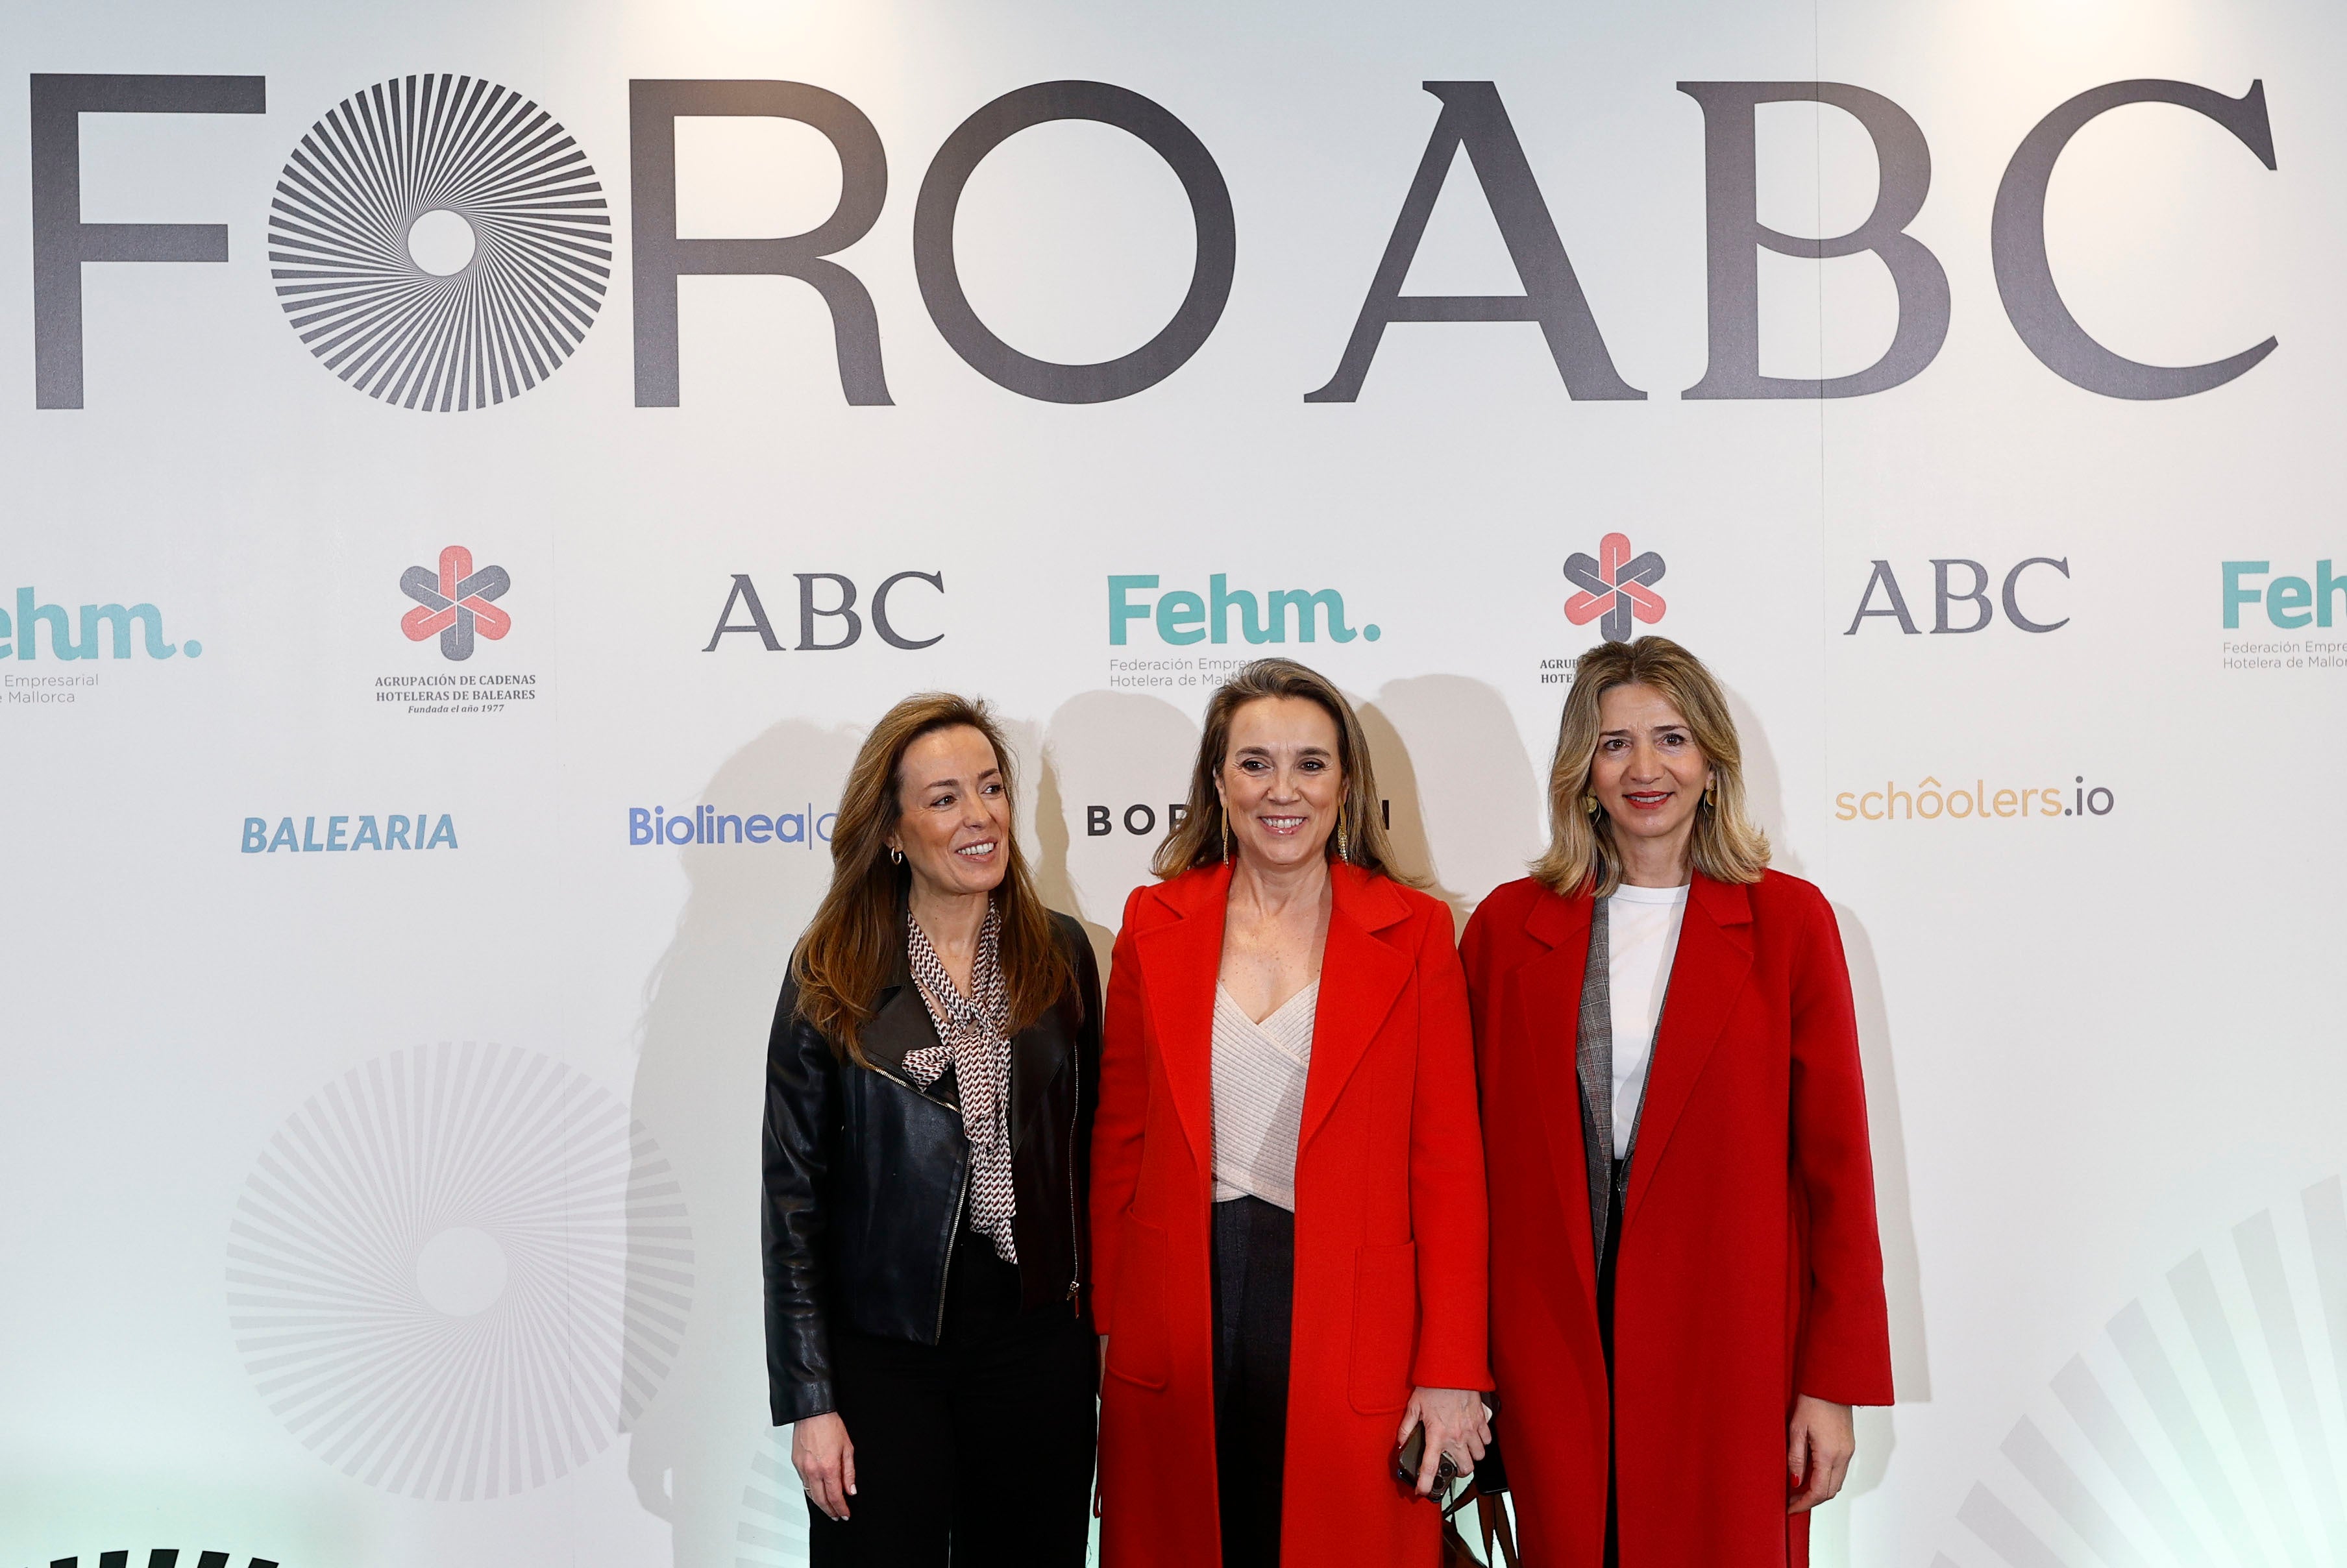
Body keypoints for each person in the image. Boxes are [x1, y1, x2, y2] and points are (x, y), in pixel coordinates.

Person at [1462, 636, 1893, 1568]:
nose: (1645, 769)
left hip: (1730, 1344)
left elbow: (1839, 1173)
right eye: (1615, 744)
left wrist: (1832, 1385)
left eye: (1671, 739)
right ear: (1582, 770)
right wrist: (1460, 1364)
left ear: (1711, 762)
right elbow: (1464, 1171)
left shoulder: (1790, 924)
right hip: (1551, 1347)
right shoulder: (1505, 930)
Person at [1090, 657, 1492, 1568]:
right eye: (1255, 763)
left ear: (1345, 784)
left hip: (1354, 1315)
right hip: (1179, 1310)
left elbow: (1450, 1167)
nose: (1284, 790)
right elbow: (1121, 1142)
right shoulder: (1153, 921)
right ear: (1217, 782)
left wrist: (1452, 1365)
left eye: (1311, 764)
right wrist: (1109, 1335)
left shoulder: (1416, 930)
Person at [761, 692, 1102, 1567]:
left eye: (990, 787)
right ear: (891, 831)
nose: (980, 816)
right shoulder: (830, 972)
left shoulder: (1063, 956)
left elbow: (1089, 1164)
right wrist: (811, 1398)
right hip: (884, 1358)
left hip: (1035, 1348)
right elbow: (792, 1203)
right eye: (944, 798)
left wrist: (1102, 1358)